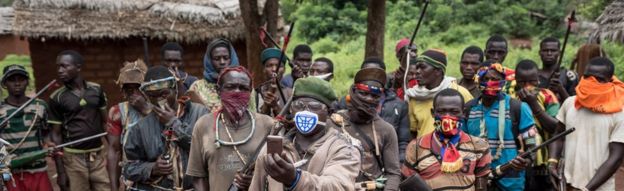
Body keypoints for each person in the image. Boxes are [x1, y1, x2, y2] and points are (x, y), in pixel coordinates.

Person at [249, 77, 360, 190]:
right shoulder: (273, 148)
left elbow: (338, 186)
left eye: (314, 107)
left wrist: (295, 179)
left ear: (329, 112)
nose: (305, 112)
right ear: (291, 110)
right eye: (299, 105)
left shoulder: (344, 149)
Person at [187, 66, 275, 191]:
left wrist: (256, 181)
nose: (237, 92)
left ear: (250, 92)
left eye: (243, 88)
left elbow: (278, 174)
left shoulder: (267, 124)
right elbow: (198, 176)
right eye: (230, 87)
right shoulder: (203, 125)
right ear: (218, 90)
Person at [123, 66, 208, 190]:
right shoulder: (140, 127)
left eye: (164, 94)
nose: (159, 101)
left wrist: (173, 123)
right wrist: (152, 168)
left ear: (175, 90)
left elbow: (205, 151)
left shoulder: (199, 113)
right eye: (153, 96)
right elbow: (129, 168)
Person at [549, 57, 624, 191]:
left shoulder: (619, 111)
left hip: (599, 188)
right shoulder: (571, 103)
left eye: (599, 79)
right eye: (587, 77)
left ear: (610, 81)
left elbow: (616, 157)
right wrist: (552, 163)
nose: (591, 82)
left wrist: (586, 189)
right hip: (567, 185)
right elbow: (558, 136)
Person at [461, 63, 535, 190]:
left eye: (495, 80)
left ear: (503, 82)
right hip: (476, 178)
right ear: (478, 81)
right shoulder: (469, 108)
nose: (490, 83)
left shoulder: (518, 107)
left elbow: (531, 147)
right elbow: (461, 144)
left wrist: (525, 161)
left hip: (511, 179)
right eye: (485, 79)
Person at [401, 89, 492, 191]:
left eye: (454, 112)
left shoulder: (479, 146)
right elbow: (409, 183)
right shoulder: (416, 147)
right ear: (433, 113)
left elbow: (481, 187)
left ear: (464, 113)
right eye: (441, 111)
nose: (447, 117)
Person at [49, 50, 110, 191]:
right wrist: (61, 172)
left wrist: (115, 152)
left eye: (64, 66)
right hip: (73, 159)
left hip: (98, 156)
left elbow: (106, 123)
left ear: (78, 67)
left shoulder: (96, 90)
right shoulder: (56, 97)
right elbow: (56, 135)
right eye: (58, 66)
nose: (60, 70)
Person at [333, 67, 401, 190]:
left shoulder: (386, 130)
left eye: (374, 96)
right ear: (353, 92)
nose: (369, 99)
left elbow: (393, 173)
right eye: (363, 93)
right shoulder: (334, 123)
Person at [336, 58, 410, 164]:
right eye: (367, 72)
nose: (372, 76)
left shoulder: (398, 105)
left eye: (377, 73)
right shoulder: (345, 102)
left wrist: (400, 162)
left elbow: (403, 141)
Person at [0, 65, 53, 191]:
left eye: (21, 79)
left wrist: (49, 145)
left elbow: (46, 134)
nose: (17, 83)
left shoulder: (40, 106)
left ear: (27, 82)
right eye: (12, 80)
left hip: (38, 170)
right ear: (4, 84)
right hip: (10, 173)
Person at [514, 59, 560, 190]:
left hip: (544, 162)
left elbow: (555, 128)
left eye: (532, 81)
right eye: (523, 82)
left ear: (538, 79)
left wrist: (534, 105)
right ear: (516, 80)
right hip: (518, 160)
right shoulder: (510, 97)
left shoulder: (547, 96)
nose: (528, 86)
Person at [404, 49, 473, 138]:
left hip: (456, 148)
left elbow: (472, 124)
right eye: (417, 67)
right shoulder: (414, 96)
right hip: (424, 149)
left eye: (422, 67)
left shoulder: (459, 93)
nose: (417, 71)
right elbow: (413, 132)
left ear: (438, 71)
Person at [106, 59, 150, 190]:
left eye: (138, 87)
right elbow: (114, 151)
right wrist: (114, 187)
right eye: (129, 89)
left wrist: (145, 110)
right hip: (131, 179)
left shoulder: (159, 110)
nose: (134, 93)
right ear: (123, 90)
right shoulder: (118, 112)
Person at [188, 38, 241, 112]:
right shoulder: (197, 87)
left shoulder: (243, 86)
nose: (222, 62)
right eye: (217, 58)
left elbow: (252, 115)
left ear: (232, 59)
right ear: (209, 61)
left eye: (226, 58)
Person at [537, 37, 579, 102]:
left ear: (559, 53)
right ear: (540, 52)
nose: (549, 53)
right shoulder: (533, 75)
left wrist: (561, 90)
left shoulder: (570, 76)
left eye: (553, 51)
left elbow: (574, 104)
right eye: (545, 50)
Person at [256, 48, 292, 116]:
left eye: (279, 66)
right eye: (270, 66)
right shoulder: (256, 93)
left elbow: (290, 122)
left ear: (284, 70)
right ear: (264, 69)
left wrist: (275, 106)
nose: (274, 69)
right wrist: (266, 106)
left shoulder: (290, 93)